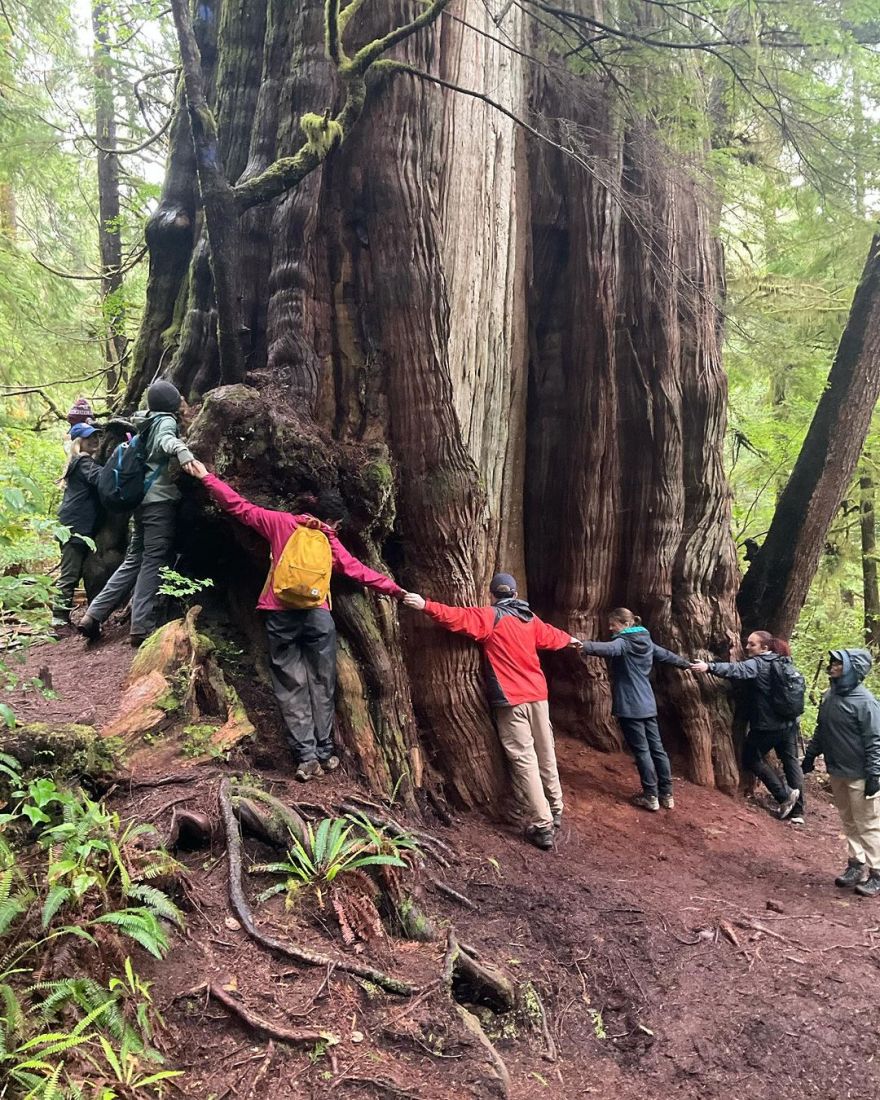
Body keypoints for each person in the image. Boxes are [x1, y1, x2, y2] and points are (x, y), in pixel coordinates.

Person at [184, 460, 405, 781]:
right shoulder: (329, 541)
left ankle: (306, 758)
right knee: (322, 682)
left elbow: (239, 507)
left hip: (280, 611)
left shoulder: (281, 524)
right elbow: (361, 571)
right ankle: (326, 751)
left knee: (291, 684)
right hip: (318, 616)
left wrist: (206, 476)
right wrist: (396, 591)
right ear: (334, 521)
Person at [403, 573, 580, 851]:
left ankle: (543, 823)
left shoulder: (491, 616)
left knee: (524, 759)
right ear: (515, 592)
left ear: (493, 594)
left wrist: (425, 604)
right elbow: (553, 636)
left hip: (512, 700)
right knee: (546, 752)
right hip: (538, 696)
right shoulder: (529, 618)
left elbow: (456, 617)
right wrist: (572, 640)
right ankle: (556, 807)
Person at [78, 380, 197, 646]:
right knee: (153, 561)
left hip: (140, 503)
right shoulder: (165, 421)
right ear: (170, 402)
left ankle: (93, 614)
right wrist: (184, 452)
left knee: (133, 561)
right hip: (159, 505)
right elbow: (168, 442)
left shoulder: (145, 422)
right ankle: (141, 626)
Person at [579, 608, 690, 812]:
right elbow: (666, 655)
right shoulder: (645, 639)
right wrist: (687, 664)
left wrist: (582, 645)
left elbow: (608, 649)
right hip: (647, 703)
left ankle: (650, 796)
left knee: (642, 751)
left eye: (613, 624)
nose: (611, 629)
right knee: (657, 749)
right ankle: (667, 794)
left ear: (625, 624)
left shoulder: (624, 642)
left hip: (630, 705)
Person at [691, 631, 803, 822]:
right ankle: (798, 812)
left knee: (751, 758)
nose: (746, 647)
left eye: (752, 644)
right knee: (791, 762)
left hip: (767, 726)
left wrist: (708, 666)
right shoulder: (784, 662)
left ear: (765, 648)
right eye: (747, 643)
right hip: (789, 723)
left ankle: (784, 797)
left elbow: (736, 670)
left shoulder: (758, 664)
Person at [802, 649, 880, 896]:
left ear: (851, 668)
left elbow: (875, 740)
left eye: (838, 663)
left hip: (860, 774)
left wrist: (875, 774)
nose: (832, 666)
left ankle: (877, 873)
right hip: (837, 771)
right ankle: (856, 865)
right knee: (848, 821)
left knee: (867, 824)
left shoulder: (866, 702)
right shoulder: (830, 696)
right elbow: (821, 729)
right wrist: (811, 755)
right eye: (833, 662)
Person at [55, 423, 103, 623]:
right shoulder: (83, 462)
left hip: (74, 524)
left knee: (77, 571)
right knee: (70, 574)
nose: (94, 439)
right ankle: (58, 619)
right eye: (88, 436)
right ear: (78, 442)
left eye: (96, 436)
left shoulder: (80, 462)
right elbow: (100, 479)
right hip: (74, 527)